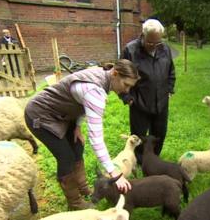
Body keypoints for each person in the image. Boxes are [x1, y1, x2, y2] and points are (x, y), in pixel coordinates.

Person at [24, 59, 139, 210]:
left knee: (77, 146)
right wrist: (113, 171)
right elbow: (96, 139)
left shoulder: (104, 76)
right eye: (126, 85)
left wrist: (77, 126)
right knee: (66, 157)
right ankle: (75, 202)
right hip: (40, 115)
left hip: (62, 113)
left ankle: (83, 188)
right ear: (115, 74)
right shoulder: (94, 91)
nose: (127, 91)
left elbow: (82, 102)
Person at [119, 19, 176, 163]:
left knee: (159, 134)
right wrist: (127, 98)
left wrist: (169, 89)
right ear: (143, 35)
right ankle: (139, 161)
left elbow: (171, 71)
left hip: (161, 102)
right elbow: (119, 77)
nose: (154, 46)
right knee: (138, 136)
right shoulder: (130, 50)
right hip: (139, 102)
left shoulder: (165, 49)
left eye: (158, 42)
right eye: (150, 42)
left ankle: (153, 158)